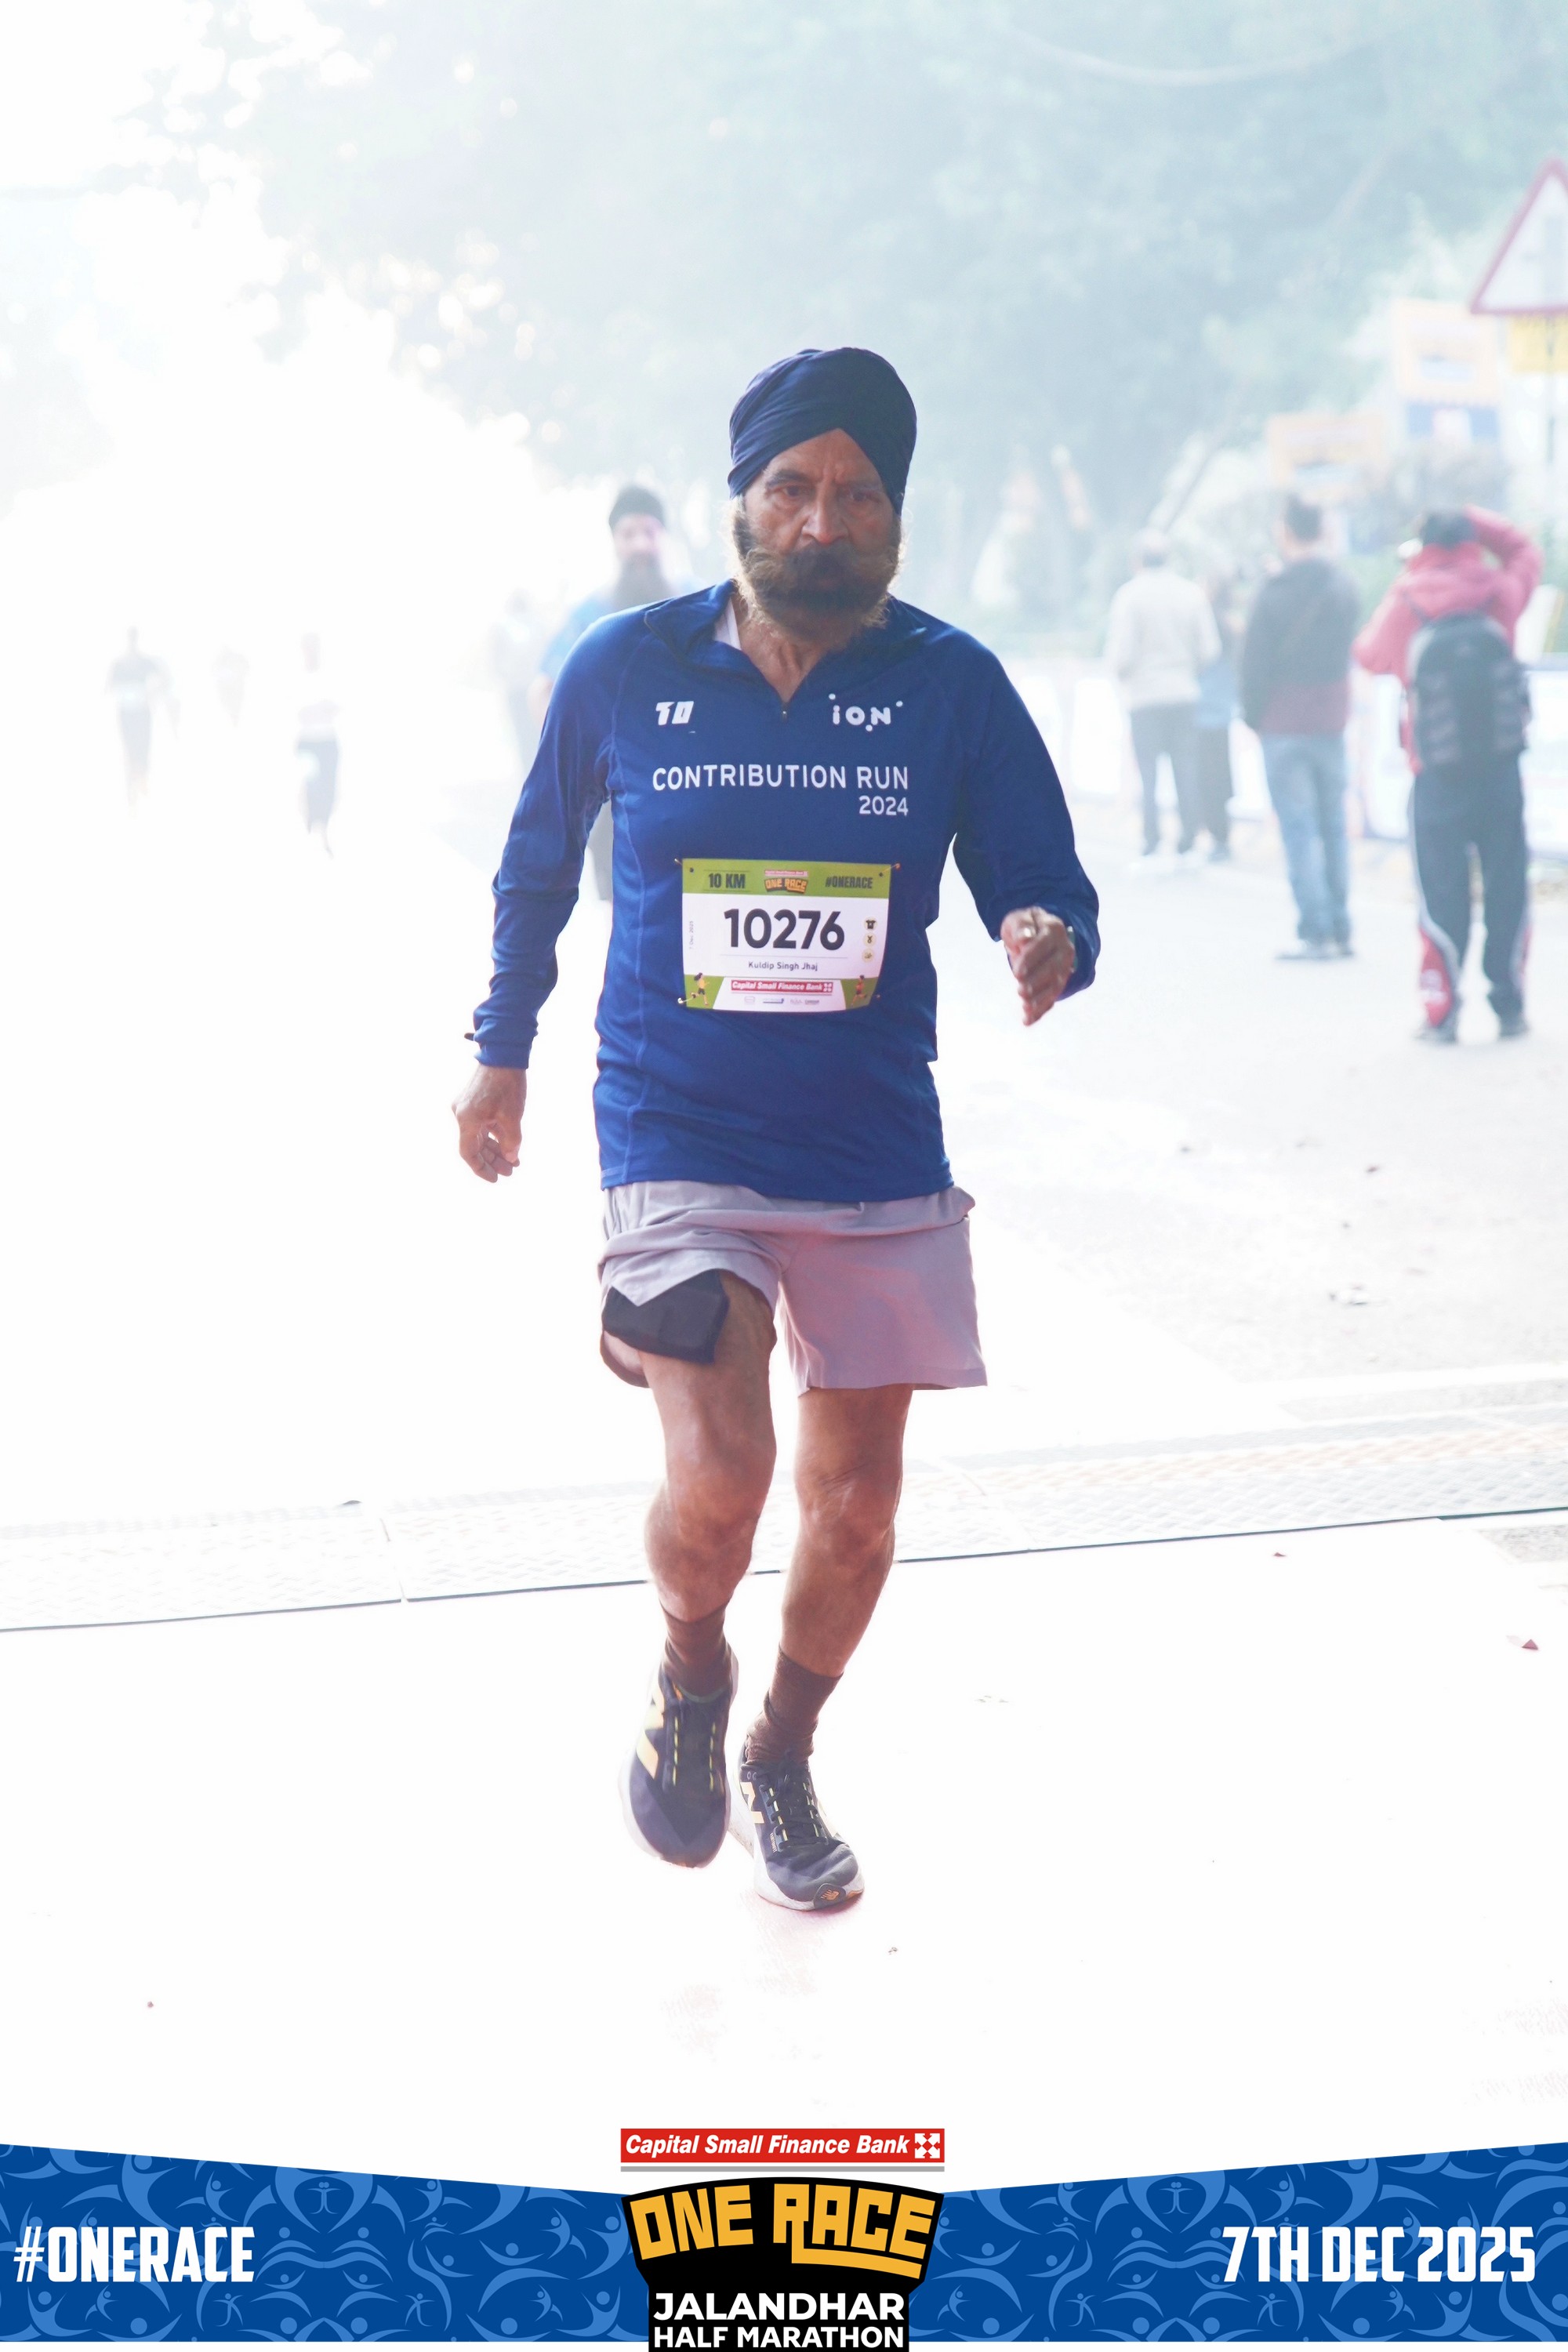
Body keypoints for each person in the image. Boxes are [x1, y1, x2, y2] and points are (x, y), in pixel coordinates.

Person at [453, 347, 1099, 1912]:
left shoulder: (950, 684)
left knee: (858, 1508)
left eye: (857, 494)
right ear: (739, 502)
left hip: (871, 1143)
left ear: (894, 515)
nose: (823, 520)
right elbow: (535, 866)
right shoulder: (626, 667)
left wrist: (1045, 933)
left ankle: (782, 1753)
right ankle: (691, 1670)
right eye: (793, 489)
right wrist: (499, 1053)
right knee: (725, 1468)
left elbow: (1044, 872)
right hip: (674, 1128)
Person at [1354, 506, 1541, 1041]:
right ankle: (1509, 1006)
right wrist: (1476, 521)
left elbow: (1369, 655)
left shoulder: (1407, 599)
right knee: (1507, 887)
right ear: (1470, 541)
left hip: (1435, 775)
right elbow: (1527, 550)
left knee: (1441, 892)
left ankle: (1442, 1013)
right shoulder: (1498, 591)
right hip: (1501, 771)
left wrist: (1408, 577)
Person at [534, 485, 680, 899]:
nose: (640, 545)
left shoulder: (697, 604)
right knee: (622, 910)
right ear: (614, 541)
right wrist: (574, 767)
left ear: (663, 537)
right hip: (616, 801)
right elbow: (544, 690)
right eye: (629, 534)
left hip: (688, 789)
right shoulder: (590, 616)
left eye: (649, 532)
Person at [1240, 495, 1361, 960]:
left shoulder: (1273, 593)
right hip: (1331, 719)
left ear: (1285, 531)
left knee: (1299, 829)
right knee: (1333, 825)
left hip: (1283, 723)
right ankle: (1341, 926)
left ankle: (1316, 930)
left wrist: (1253, 717)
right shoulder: (1343, 587)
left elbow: (1252, 665)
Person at [1104, 528, 1220, 859]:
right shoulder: (1191, 594)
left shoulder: (1129, 596)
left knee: (1148, 772)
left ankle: (1151, 837)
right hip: (1183, 693)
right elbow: (1209, 648)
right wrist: (1188, 669)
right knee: (1185, 767)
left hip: (1144, 696)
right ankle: (1188, 836)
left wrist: (1127, 675)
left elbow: (1121, 655)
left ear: (1137, 560)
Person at [1192, 572, 1241, 862]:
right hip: (1221, 710)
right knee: (1219, 776)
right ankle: (1220, 836)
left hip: (1202, 709)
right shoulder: (1233, 624)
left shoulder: (1206, 623)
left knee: (1206, 777)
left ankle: (1215, 836)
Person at [107, 627, 172, 806]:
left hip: (142, 711)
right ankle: (131, 786)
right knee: (130, 748)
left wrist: (153, 692)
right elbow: (108, 686)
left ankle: (142, 776)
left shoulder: (145, 662)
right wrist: (123, 692)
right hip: (126, 712)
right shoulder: (119, 664)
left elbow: (165, 678)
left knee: (143, 746)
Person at [296, 632, 341, 853]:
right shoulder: (294, 675)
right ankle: (308, 827)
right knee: (310, 786)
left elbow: (340, 704)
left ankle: (325, 829)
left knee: (328, 789)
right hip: (306, 742)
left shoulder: (330, 674)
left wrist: (326, 710)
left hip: (328, 741)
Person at [492, 590, 543, 777]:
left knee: (522, 731)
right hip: (531, 687)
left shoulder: (502, 628)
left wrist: (505, 676)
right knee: (533, 729)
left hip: (516, 687)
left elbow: (496, 659)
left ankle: (528, 769)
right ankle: (534, 769)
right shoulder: (537, 626)